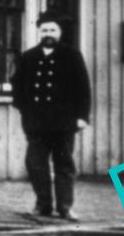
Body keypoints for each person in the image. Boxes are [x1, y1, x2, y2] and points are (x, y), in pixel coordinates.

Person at [10, 11, 92, 221]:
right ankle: (43, 204)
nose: (48, 33)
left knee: (64, 165)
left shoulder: (72, 56)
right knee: (35, 164)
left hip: (63, 123)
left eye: (52, 30)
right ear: (39, 32)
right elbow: (17, 86)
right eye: (45, 30)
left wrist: (82, 116)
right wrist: (24, 109)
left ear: (60, 32)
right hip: (36, 123)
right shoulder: (29, 57)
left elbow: (83, 89)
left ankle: (65, 207)